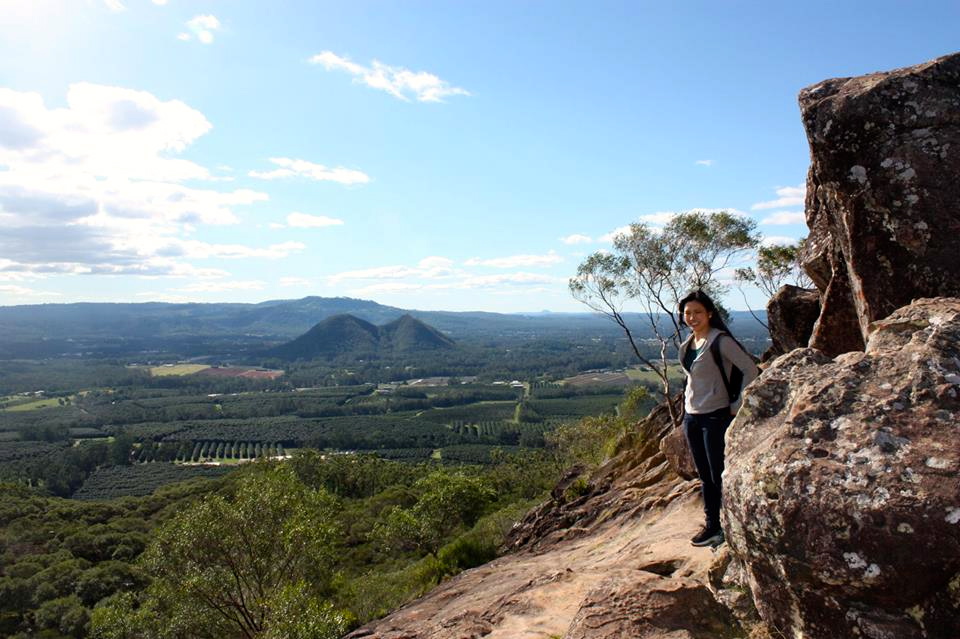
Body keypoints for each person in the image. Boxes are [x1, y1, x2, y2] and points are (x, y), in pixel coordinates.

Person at [677, 290, 759, 547]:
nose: (692, 317)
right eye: (688, 313)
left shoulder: (719, 341)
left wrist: (737, 404)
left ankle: (724, 526)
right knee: (704, 476)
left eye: (697, 312)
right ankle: (713, 524)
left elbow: (750, 369)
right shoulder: (688, 344)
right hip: (693, 417)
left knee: (717, 475)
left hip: (715, 416)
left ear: (710, 313)